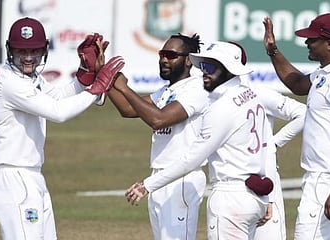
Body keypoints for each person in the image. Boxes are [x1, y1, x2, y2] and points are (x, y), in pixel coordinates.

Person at [0, 17, 124, 240]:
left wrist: (84, 73)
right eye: (21, 51)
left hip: (31, 176)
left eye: (34, 50)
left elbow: (58, 97)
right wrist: (96, 88)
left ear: (44, 50)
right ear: (10, 50)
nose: (28, 58)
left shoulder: (32, 79)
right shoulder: (10, 83)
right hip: (12, 177)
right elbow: (58, 112)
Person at [125, 41, 275, 240]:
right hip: (253, 195)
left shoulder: (222, 107)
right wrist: (267, 197)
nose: (203, 72)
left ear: (229, 69)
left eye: (210, 67)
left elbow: (192, 159)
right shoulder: (251, 97)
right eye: (203, 66)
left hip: (230, 197)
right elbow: (267, 148)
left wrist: (147, 185)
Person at [263, 13, 330, 239]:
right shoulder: (324, 73)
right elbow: (298, 84)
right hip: (328, 174)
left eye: (312, 39)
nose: (307, 43)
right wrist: (273, 50)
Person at [107, 33, 208, 240]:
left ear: (188, 60)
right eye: (162, 54)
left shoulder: (196, 89)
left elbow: (158, 120)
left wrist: (124, 87)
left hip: (182, 178)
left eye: (171, 55)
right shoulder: (166, 90)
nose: (164, 59)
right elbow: (127, 109)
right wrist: (104, 77)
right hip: (160, 176)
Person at [228, 41, 307, 240]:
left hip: (264, 178)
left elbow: (302, 113)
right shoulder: (213, 98)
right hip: (232, 182)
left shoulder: (256, 93)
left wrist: (273, 142)